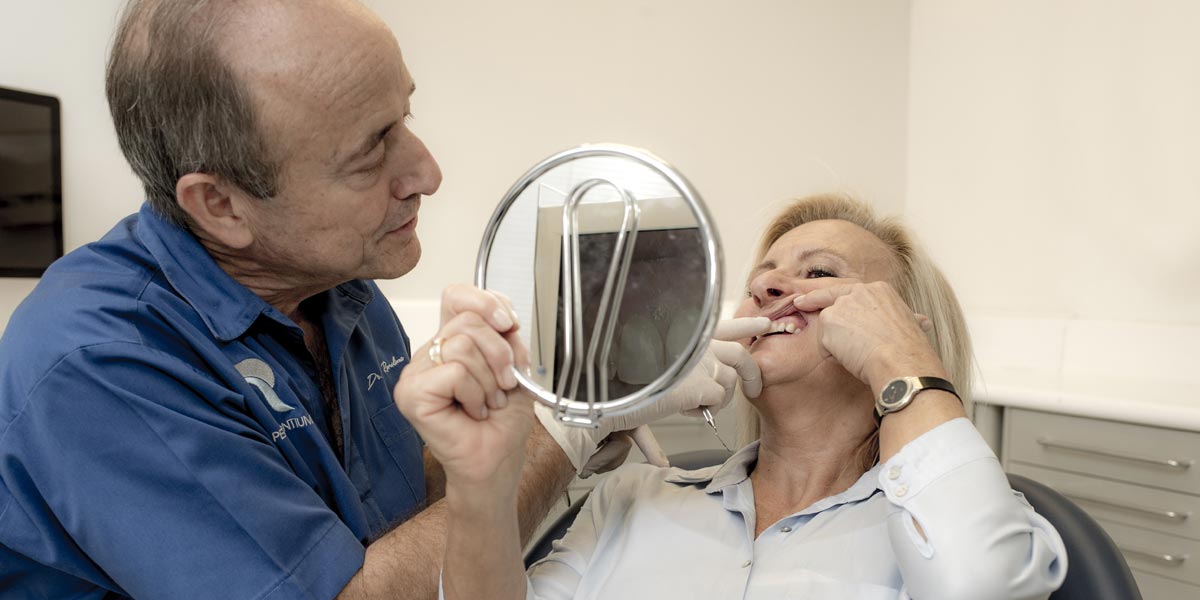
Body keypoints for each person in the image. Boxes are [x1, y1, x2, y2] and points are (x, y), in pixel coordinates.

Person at [0, 1, 762, 598]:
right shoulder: (99, 364)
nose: (427, 173)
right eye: (371, 152)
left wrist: (555, 428)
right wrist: (564, 430)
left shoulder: (337, 285)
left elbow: (392, 504)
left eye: (405, 116)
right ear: (222, 205)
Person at [401, 194, 1069, 599]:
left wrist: (904, 362)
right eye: (764, 275)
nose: (772, 287)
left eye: (818, 274)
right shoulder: (631, 500)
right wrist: (483, 484)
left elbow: (981, 587)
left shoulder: (950, 524)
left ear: (895, 323)